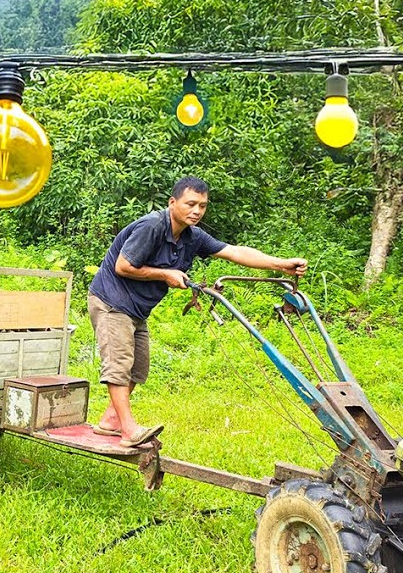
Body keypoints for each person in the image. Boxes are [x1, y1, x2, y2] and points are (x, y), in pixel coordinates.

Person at [87, 176, 306, 447]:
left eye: (202, 206)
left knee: (138, 367)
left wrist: (280, 264)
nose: (197, 211)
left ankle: (110, 420)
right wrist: (165, 274)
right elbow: (123, 266)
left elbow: (234, 251)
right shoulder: (153, 226)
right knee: (119, 364)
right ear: (172, 202)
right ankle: (128, 430)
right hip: (111, 300)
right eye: (191, 204)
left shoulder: (192, 236)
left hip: (137, 308)